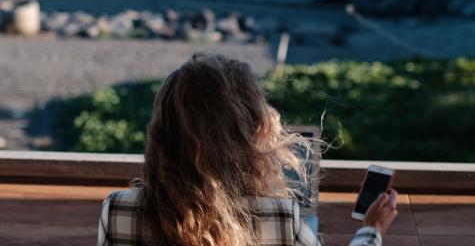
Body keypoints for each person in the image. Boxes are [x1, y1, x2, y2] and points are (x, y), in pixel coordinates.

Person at [97, 53, 398, 246]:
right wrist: (371, 230)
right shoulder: (278, 219)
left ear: (162, 134)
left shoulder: (118, 210)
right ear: (250, 135)